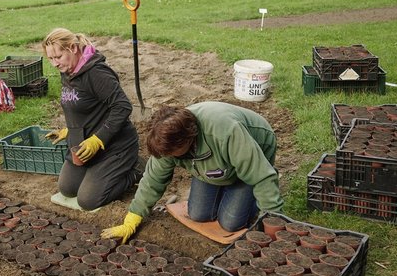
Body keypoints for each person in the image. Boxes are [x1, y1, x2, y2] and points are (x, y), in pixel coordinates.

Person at [102, 102, 283, 243]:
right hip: (216, 169)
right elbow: (152, 179)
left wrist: (272, 220)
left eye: (172, 154)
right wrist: (134, 216)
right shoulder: (166, 141)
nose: (168, 157)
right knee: (198, 214)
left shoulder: (224, 133)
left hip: (252, 152)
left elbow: (262, 178)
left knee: (231, 222)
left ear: (186, 141)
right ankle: (228, 187)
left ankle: (244, 192)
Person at [42, 29, 140, 211]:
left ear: (72, 48)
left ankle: (135, 171)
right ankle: (99, 175)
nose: (55, 63)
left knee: (88, 200)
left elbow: (123, 107)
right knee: (67, 189)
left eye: (58, 56)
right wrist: (69, 130)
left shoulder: (96, 73)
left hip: (113, 146)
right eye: (50, 59)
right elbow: (82, 107)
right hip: (84, 146)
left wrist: (98, 139)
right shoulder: (68, 69)